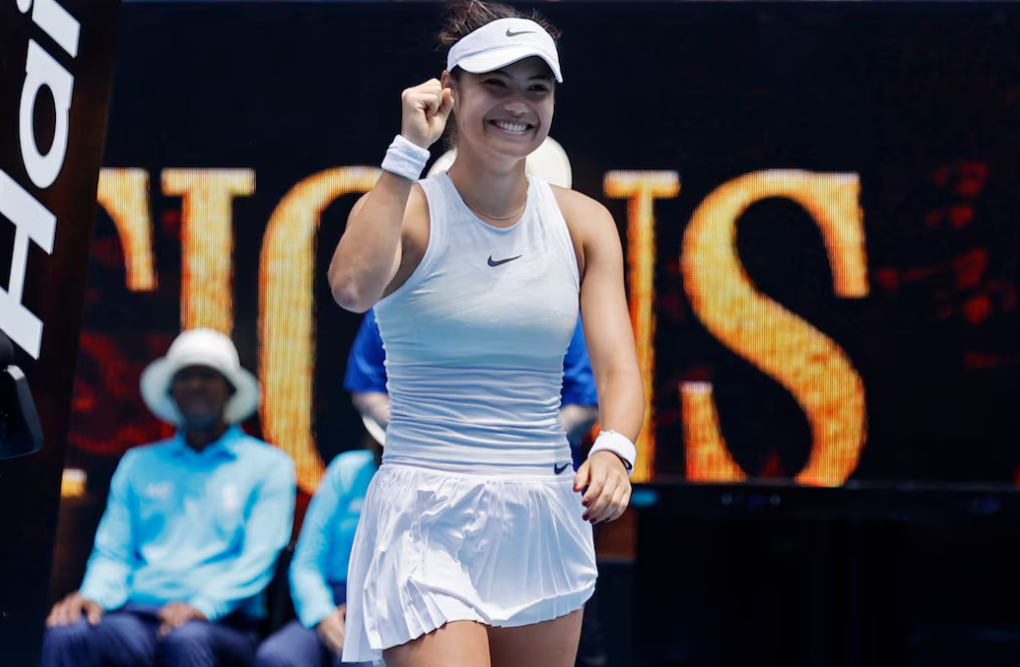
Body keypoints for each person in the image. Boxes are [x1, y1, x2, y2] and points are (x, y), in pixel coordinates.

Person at [326, 1, 643, 665]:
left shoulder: (586, 223)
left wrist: (614, 448)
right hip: (423, 511)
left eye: (537, 88)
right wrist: (407, 150)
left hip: (541, 505)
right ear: (451, 90)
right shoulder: (408, 209)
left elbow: (618, 369)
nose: (518, 104)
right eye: (496, 83)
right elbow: (351, 289)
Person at [42, 328, 296, 667]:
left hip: (222, 622)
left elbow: (258, 559)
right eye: (185, 376)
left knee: (185, 640)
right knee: (66, 632)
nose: (195, 385)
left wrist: (204, 605)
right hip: (136, 615)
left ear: (230, 390)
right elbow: (114, 552)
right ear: (171, 391)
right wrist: (91, 596)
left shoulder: (269, 465)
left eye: (207, 375)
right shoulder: (138, 463)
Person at [344, 308, 599, 467]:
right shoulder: (394, 300)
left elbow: (585, 403)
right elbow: (368, 388)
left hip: (537, 481)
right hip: (421, 476)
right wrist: (429, 438)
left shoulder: (554, 303)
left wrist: (515, 448)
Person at [252, 437, 380, 667]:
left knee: (360, 661)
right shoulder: (347, 469)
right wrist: (322, 614)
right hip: (332, 602)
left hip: (390, 613)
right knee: (277, 657)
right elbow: (306, 563)